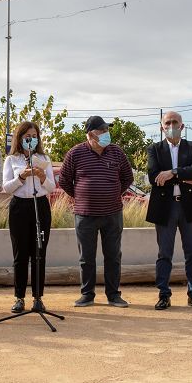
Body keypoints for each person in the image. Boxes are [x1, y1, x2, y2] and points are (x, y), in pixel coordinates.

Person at [58, 116, 134, 308]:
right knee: (86, 258)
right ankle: (87, 294)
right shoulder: (75, 153)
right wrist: (82, 196)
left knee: (113, 256)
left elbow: (127, 177)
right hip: (85, 216)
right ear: (91, 134)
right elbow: (65, 181)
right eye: (103, 131)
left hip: (112, 214)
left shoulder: (116, 152)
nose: (107, 134)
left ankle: (114, 295)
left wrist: (114, 193)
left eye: (107, 130)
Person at [145, 111, 192, 310]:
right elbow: (154, 177)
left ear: (182, 126)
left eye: (175, 122)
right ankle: (164, 294)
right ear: (161, 127)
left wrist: (172, 172)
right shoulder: (154, 149)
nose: (171, 125)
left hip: (189, 205)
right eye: (167, 122)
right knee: (164, 253)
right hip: (165, 207)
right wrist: (184, 175)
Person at [1, 121, 57, 314]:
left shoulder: (44, 158)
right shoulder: (11, 160)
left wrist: (42, 177)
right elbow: (7, 188)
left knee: (39, 253)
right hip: (19, 207)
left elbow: (52, 188)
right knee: (20, 254)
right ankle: (19, 298)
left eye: (34, 136)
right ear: (20, 138)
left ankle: (38, 298)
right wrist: (22, 177)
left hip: (40, 206)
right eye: (27, 137)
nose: (31, 140)